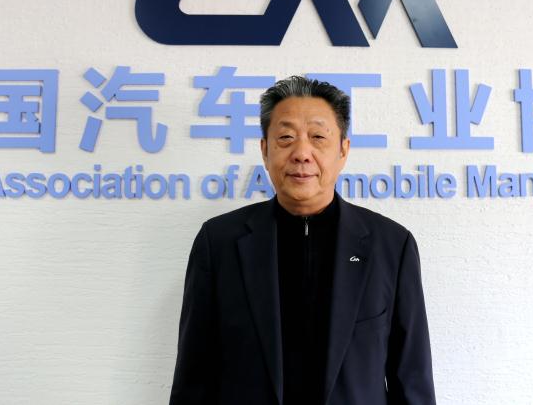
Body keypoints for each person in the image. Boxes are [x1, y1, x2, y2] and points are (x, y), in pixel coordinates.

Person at [169, 76, 436, 405]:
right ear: (265, 150)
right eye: (286, 138)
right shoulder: (219, 242)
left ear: (343, 150)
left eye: (318, 137)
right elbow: (193, 378)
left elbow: (412, 380)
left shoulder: (392, 246)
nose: (301, 154)